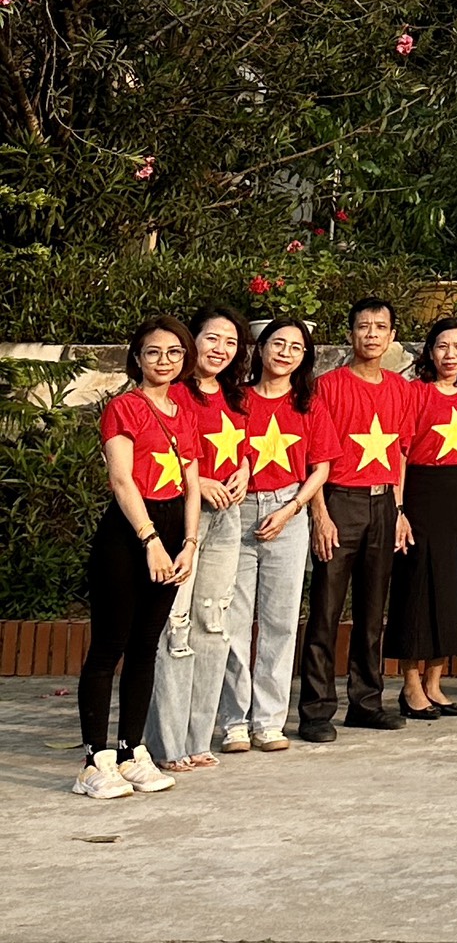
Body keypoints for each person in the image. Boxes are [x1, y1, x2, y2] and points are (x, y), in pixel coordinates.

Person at [73, 319, 199, 798]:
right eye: (153, 353)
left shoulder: (182, 411)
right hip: (129, 537)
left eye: (173, 352)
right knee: (110, 644)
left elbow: (191, 481)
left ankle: (131, 752)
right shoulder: (125, 407)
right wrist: (150, 541)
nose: (164, 361)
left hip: (172, 534)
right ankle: (93, 761)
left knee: (147, 644)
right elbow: (122, 479)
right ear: (137, 359)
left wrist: (189, 544)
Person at [297, 295, 420, 741]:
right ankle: (315, 710)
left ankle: (366, 702)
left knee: (373, 611)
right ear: (351, 333)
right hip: (339, 501)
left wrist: (400, 509)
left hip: (384, 503)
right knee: (326, 611)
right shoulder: (328, 386)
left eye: (380, 327)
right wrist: (320, 515)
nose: (371, 334)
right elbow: (315, 456)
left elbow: (400, 453)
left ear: (392, 336)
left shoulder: (401, 389)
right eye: (363, 326)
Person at [146, 303, 251, 773]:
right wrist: (200, 483)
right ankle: (166, 742)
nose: (221, 350)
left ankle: (197, 736)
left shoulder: (235, 397)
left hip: (228, 519)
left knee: (214, 624)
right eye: (212, 338)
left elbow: (244, 450)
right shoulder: (175, 393)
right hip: (183, 520)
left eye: (230, 342)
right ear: (193, 341)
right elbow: (164, 456)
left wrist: (244, 473)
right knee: (176, 625)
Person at [217, 316, 324, 754]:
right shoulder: (235, 399)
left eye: (296, 347)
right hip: (237, 512)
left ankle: (269, 721)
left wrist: (292, 509)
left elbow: (322, 467)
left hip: (289, 511)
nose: (285, 352)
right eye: (277, 343)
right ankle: (234, 722)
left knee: (280, 622)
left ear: (304, 358)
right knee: (234, 623)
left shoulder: (308, 403)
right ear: (259, 349)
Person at [390, 317, 457, 719]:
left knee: (452, 588)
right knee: (417, 587)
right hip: (420, 493)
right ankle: (410, 685)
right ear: (429, 351)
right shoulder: (415, 393)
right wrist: (398, 509)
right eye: (442, 346)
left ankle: (435, 684)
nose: (450, 355)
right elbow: (400, 452)